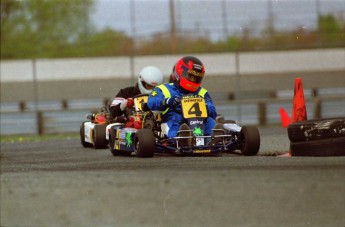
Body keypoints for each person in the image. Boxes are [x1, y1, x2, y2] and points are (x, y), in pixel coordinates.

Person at [147, 56, 220, 146]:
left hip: (199, 121)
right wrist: (167, 101)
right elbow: (151, 103)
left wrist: (206, 108)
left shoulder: (202, 92)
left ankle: (212, 140)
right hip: (174, 118)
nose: (193, 80)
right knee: (174, 124)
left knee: (210, 121)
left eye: (196, 78)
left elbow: (213, 110)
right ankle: (182, 139)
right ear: (180, 72)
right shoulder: (164, 89)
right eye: (190, 76)